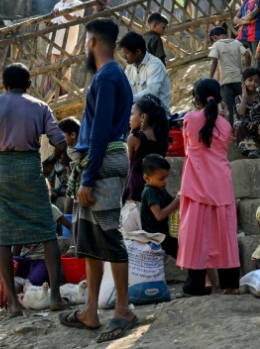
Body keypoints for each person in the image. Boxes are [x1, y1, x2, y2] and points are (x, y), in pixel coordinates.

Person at [0, 63, 67, 316]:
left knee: (5, 236)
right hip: (31, 167)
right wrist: (50, 161)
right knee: (47, 232)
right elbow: (60, 142)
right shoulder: (40, 106)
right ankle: (54, 297)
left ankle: (13, 304)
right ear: (29, 84)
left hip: (2, 170)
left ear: (4, 85)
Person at [59, 19, 137, 343]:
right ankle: (90, 310)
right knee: (91, 239)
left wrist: (88, 178)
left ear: (91, 42)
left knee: (108, 234)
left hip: (101, 162)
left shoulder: (107, 77)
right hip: (101, 161)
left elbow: (102, 129)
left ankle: (122, 310)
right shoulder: (112, 75)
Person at [177, 78, 241, 295]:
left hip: (196, 184)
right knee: (225, 234)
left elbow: (188, 149)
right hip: (221, 184)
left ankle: (194, 284)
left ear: (196, 100)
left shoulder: (190, 119)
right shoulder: (225, 124)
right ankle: (230, 284)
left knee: (196, 234)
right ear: (220, 99)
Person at [13, 180, 72, 286]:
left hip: (42, 260)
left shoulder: (50, 209)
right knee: (4, 268)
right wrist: (12, 263)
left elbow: (70, 226)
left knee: (34, 282)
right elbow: (17, 247)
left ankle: (30, 279)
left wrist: (74, 245)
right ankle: (26, 279)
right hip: (25, 260)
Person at [123, 97, 169, 205]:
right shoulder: (162, 140)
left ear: (143, 116)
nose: (129, 119)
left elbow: (128, 170)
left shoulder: (134, 138)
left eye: (132, 114)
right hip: (156, 195)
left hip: (136, 192)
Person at [45, 0, 83, 93]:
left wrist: (63, 13)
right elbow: (55, 23)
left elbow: (75, 18)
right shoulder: (58, 5)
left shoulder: (78, 4)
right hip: (53, 47)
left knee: (63, 81)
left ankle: (62, 107)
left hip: (66, 48)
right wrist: (49, 24)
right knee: (50, 80)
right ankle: (50, 107)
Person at [119, 31, 172, 116]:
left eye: (127, 53)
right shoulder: (129, 68)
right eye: (123, 53)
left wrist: (129, 99)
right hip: (138, 117)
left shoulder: (155, 65)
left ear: (138, 51)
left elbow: (152, 92)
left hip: (158, 119)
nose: (123, 56)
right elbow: (125, 91)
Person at [208, 26, 252, 125]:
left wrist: (210, 78)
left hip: (225, 82)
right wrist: (247, 70)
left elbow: (214, 61)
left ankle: (230, 132)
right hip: (239, 80)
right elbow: (247, 55)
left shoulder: (216, 45)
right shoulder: (237, 43)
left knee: (228, 109)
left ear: (214, 37)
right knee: (241, 107)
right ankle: (244, 130)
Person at [139, 154, 180, 258]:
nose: (165, 181)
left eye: (166, 177)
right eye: (161, 179)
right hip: (155, 237)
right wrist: (176, 202)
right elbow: (159, 215)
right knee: (182, 253)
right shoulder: (149, 192)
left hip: (163, 234)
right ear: (146, 178)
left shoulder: (160, 189)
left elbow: (172, 202)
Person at [234, 67, 260, 159]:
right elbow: (241, 113)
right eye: (250, 80)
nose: (253, 84)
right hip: (245, 126)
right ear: (243, 81)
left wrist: (256, 122)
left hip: (258, 125)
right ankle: (252, 150)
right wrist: (244, 95)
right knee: (237, 124)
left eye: (256, 81)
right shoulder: (238, 97)